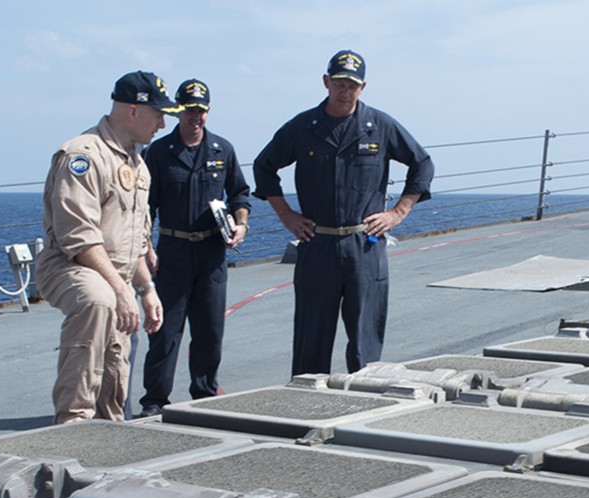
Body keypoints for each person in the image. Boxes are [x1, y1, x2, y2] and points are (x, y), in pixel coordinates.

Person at [253, 49, 434, 376]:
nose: (344, 90)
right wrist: (286, 216)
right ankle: (305, 410)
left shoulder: (379, 126)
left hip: (364, 247)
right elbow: (264, 167)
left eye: (352, 84)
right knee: (311, 342)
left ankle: (363, 409)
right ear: (326, 82)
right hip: (317, 246)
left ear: (362, 87)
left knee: (366, 344)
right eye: (339, 83)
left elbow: (422, 163)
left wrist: (397, 213)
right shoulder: (302, 127)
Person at [34, 71, 178, 424]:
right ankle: (73, 420)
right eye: (158, 114)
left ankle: (109, 426)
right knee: (98, 302)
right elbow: (79, 239)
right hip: (70, 265)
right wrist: (120, 289)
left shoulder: (136, 163)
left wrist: (145, 289)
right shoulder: (83, 156)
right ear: (133, 111)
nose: (162, 123)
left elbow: (134, 238)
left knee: (116, 356)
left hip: (115, 271)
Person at [139, 79, 252, 417]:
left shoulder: (223, 150)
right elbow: (144, 207)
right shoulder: (158, 153)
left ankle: (204, 395)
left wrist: (241, 224)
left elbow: (240, 194)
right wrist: (146, 248)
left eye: (201, 110)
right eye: (189, 110)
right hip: (172, 251)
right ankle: (155, 399)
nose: (195, 117)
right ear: (178, 112)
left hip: (211, 254)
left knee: (210, 330)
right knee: (165, 331)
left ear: (208, 110)